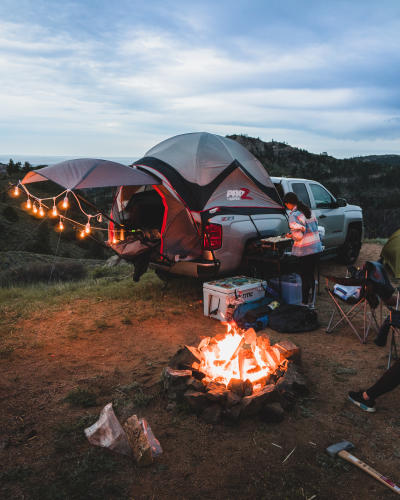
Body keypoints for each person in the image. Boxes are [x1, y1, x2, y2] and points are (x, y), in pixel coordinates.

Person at [283, 192, 323, 306]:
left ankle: (304, 303)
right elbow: (314, 228)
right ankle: (312, 301)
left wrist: (290, 235)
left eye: (286, 205)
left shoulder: (294, 215)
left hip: (306, 250)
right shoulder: (308, 211)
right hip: (316, 247)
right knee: (310, 275)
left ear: (288, 204)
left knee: (304, 276)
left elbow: (299, 236)